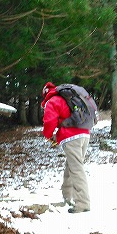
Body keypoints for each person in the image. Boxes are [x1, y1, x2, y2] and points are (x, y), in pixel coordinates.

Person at [41, 82, 90, 213]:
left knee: (76, 168)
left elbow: (49, 121)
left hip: (71, 137)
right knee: (71, 166)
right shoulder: (67, 98)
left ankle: (83, 203)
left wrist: (48, 135)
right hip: (85, 134)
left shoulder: (52, 101)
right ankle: (67, 197)